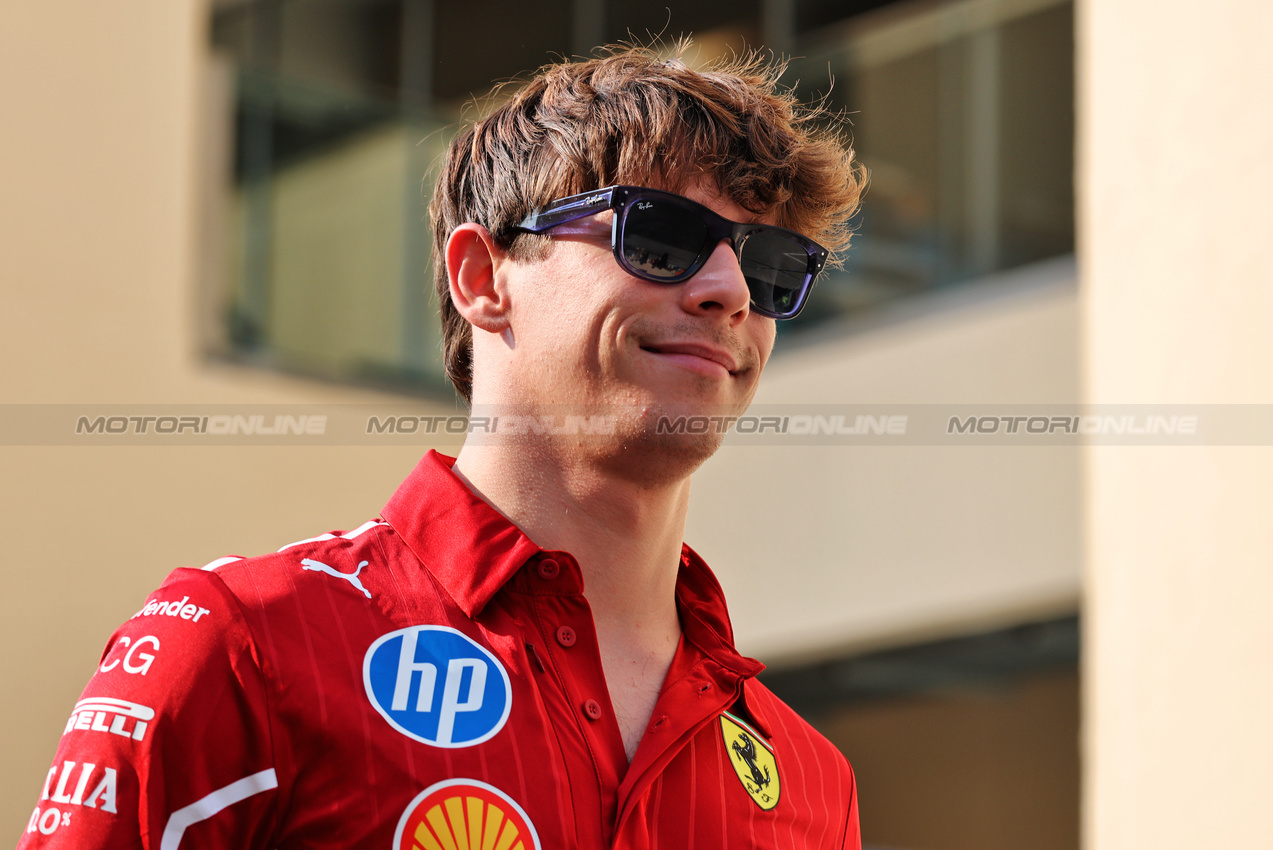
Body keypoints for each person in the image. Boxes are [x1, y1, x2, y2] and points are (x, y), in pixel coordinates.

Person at [18, 44, 864, 849]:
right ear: (482, 278)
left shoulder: (812, 782)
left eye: (771, 266)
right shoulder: (240, 644)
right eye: (662, 237)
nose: (728, 291)